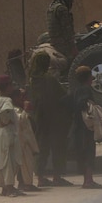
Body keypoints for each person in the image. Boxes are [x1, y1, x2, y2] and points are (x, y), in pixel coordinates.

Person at [28, 51, 73, 187]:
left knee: (42, 147)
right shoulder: (49, 79)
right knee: (58, 147)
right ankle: (57, 176)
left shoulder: (31, 81)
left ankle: (40, 177)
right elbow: (63, 95)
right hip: (54, 119)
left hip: (39, 120)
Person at [71, 66, 102, 189]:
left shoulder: (76, 89)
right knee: (89, 152)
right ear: (87, 77)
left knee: (83, 152)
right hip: (86, 127)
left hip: (79, 126)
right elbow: (82, 104)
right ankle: (89, 180)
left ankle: (87, 180)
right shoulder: (85, 90)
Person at [11, 88, 40, 192]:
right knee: (23, 163)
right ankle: (24, 184)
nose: (23, 99)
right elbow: (20, 122)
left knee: (27, 162)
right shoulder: (15, 110)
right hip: (21, 140)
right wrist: (25, 110)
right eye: (21, 96)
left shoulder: (20, 108)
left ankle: (26, 183)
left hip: (27, 140)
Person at [47, 0, 77, 64]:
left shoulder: (52, 6)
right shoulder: (61, 9)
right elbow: (67, 30)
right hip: (63, 44)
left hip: (55, 41)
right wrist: (73, 48)